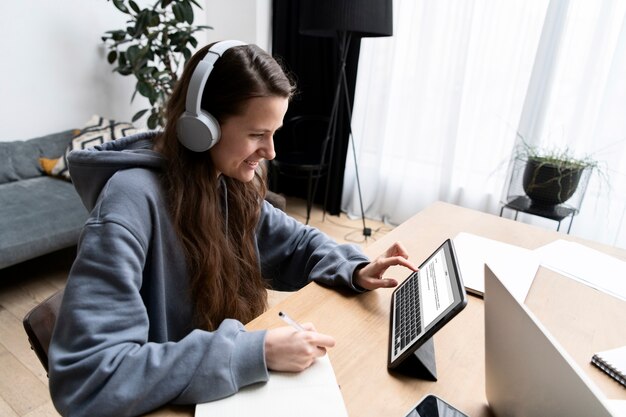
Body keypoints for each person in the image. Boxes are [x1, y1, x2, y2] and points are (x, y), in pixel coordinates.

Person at [48, 40, 417, 417]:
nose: (271, 151)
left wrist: (354, 267)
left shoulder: (224, 180)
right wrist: (257, 351)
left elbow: (297, 242)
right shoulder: (128, 204)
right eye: (257, 134)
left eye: (274, 132)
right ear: (200, 127)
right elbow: (89, 377)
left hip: (216, 393)